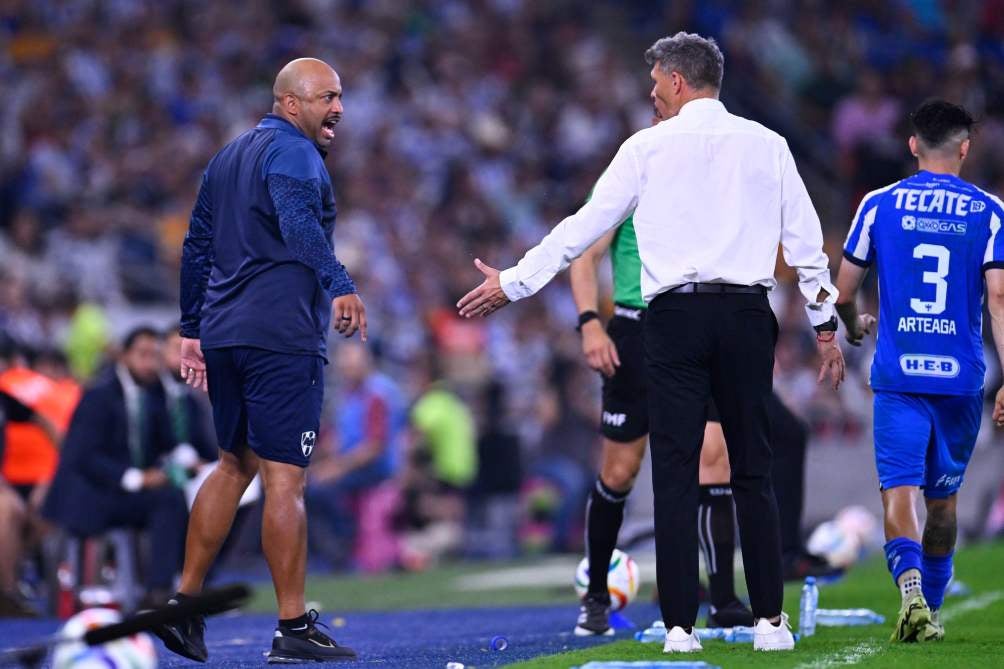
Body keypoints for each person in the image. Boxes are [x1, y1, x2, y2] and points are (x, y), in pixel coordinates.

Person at [458, 32, 844, 653]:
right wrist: (826, 326)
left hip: (672, 320)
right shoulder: (768, 145)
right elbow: (805, 241)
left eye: (656, 81)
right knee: (752, 467)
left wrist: (514, 282)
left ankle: (679, 629)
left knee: (673, 470)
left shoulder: (646, 148)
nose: (651, 92)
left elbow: (583, 228)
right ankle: (771, 623)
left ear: (677, 82)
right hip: (747, 314)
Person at [157, 58, 366, 664]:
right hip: (279, 335)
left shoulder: (226, 158)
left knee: (231, 465)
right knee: (285, 479)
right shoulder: (296, 154)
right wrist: (339, 281)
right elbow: (298, 222)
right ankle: (294, 626)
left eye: (341, 94)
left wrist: (191, 328)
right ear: (291, 103)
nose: (339, 108)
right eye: (328, 96)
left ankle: (184, 607)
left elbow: (196, 246)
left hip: (225, 333)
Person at [568, 108, 752, 636]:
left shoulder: (711, 175)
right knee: (620, 470)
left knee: (713, 456)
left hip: (697, 328)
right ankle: (597, 596)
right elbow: (583, 252)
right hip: (636, 328)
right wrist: (589, 324)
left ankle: (722, 600)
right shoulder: (632, 167)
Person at [834, 99, 1004, 643]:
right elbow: (998, 297)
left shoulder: (878, 204)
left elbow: (842, 290)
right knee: (943, 504)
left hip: (899, 375)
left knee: (898, 491)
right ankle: (928, 604)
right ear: (965, 148)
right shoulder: (990, 210)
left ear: (912, 146)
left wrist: (853, 326)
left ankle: (912, 598)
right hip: (960, 379)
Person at [42, 327, 188, 605]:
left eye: (155, 356)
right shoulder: (99, 395)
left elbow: (167, 441)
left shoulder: (154, 393)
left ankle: (162, 589)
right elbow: (84, 456)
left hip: (122, 493)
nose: (150, 363)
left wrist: (182, 459)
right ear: (123, 356)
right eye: (143, 354)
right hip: (92, 493)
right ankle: (154, 591)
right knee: (164, 499)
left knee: (172, 497)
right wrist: (134, 478)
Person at [306, 341, 406, 569]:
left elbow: (374, 447)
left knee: (319, 490)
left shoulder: (377, 393)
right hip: (353, 464)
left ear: (366, 360)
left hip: (375, 468)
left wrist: (336, 468)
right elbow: (339, 438)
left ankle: (346, 542)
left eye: (350, 360)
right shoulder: (348, 393)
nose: (345, 366)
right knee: (303, 482)